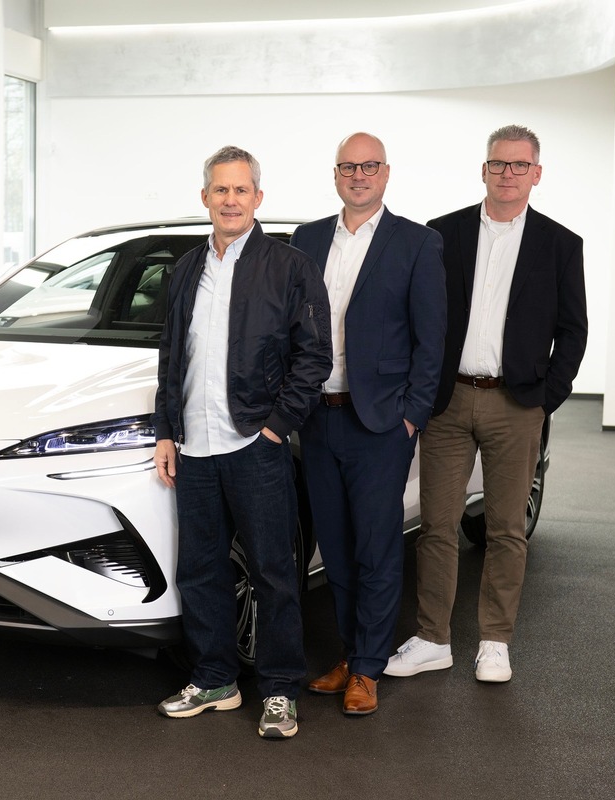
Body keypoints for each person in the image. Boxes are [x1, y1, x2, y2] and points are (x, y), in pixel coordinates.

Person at [386, 124, 587, 683]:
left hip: (516, 404)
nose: (508, 174)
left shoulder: (560, 244)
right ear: (484, 169)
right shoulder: (442, 233)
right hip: (449, 401)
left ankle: (495, 642)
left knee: (505, 530)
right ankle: (433, 639)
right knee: (437, 526)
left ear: (536, 174)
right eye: (498, 163)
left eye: (520, 165)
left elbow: (573, 331)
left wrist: (544, 400)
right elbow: (416, 316)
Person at [152, 145, 331, 739]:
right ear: (205, 197)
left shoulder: (290, 266)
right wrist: (166, 431)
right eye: (221, 190)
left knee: (273, 570)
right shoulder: (186, 269)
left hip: (254, 442)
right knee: (200, 570)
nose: (231, 200)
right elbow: (171, 356)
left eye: (241, 190)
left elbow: (315, 357)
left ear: (258, 197)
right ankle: (214, 680)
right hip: (194, 446)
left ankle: (279, 689)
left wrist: (277, 425)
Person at [290, 133, 446, 715]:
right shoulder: (306, 239)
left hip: (380, 424)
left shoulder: (416, 242)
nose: (359, 175)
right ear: (336, 175)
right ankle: (350, 653)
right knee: (334, 548)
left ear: (386, 173)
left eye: (369, 166)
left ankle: (368, 668)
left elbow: (432, 340)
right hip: (318, 417)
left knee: (376, 549)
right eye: (348, 166)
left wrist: (412, 416)